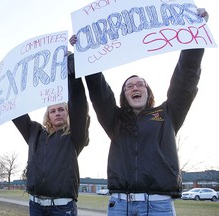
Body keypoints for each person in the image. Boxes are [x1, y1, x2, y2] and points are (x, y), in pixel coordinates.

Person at [70, 8, 208, 216]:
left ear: (148, 91)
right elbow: (99, 92)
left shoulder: (167, 115)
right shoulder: (114, 120)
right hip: (120, 205)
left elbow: (185, 79)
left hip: (158, 206)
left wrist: (196, 34)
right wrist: (85, 52)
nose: (135, 88)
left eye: (140, 84)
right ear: (124, 95)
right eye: (129, 86)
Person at [0, 52, 90, 216]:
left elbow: (79, 104)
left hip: (62, 207)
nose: (57, 113)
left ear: (68, 113)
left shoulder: (75, 136)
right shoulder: (35, 132)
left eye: (61, 109)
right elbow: (18, 115)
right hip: (36, 205)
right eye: (53, 110)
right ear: (48, 115)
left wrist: (71, 73)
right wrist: (1, 97)